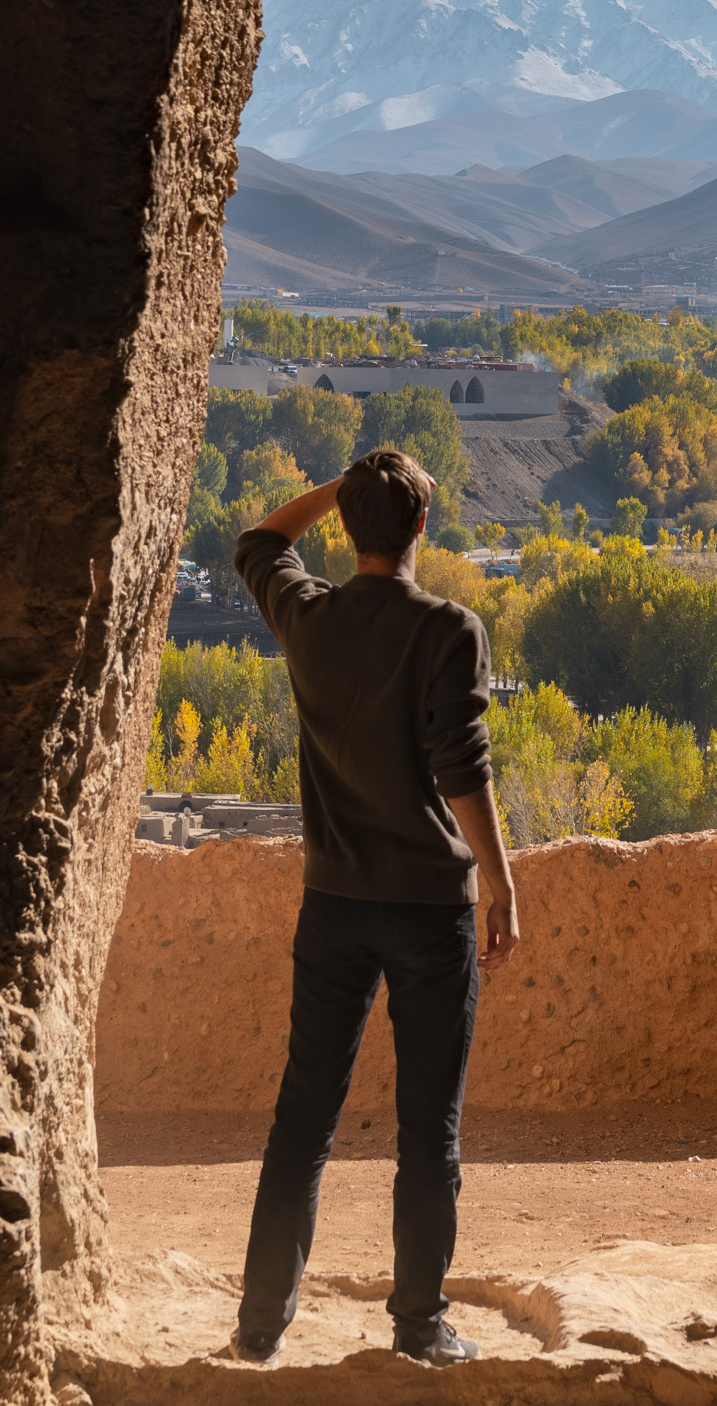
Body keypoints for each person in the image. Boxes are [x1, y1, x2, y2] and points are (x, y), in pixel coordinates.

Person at [224, 447, 518, 1368]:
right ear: (423, 528)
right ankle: (420, 1327)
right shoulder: (448, 630)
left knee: (302, 1118)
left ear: (348, 529)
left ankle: (259, 1327)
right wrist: (499, 877)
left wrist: (341, 491)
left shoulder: (308, 617)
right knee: (428, 1127)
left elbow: (261, 541)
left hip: (334, 902)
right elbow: (459, 768)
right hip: (430, 909)